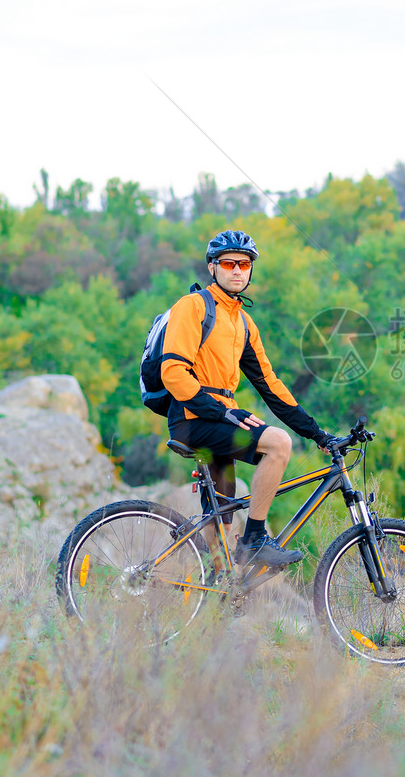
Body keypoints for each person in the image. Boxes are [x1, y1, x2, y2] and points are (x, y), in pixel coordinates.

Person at [161, 229, 334, 570]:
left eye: (244, 264)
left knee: (221, 517)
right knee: (278, 444)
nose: (237, 270)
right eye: (228, 263)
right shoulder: (193, 307)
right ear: (213, 268)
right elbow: (172, 372)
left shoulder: (243, 322)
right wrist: (224, 413)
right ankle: (255, 539)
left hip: (217, 423)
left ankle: (218, 593)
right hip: (193, 420)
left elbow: (270, 385)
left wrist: (317, 434)